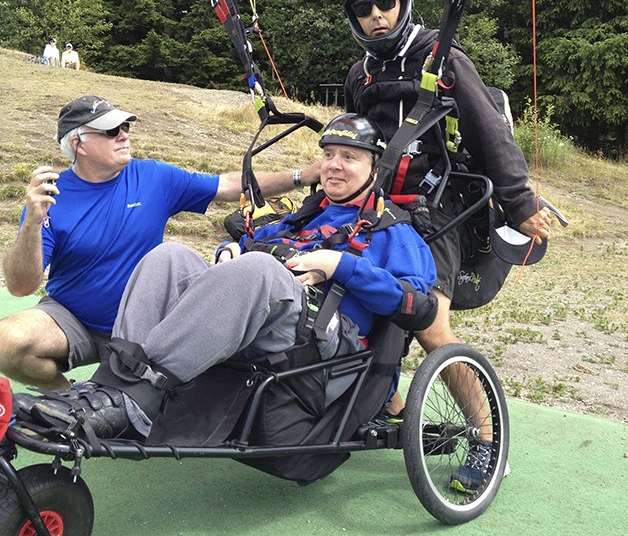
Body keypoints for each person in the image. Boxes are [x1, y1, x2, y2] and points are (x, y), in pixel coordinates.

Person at [14, 114, 439, 443]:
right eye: (328, 155)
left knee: (259, 269)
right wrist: (229, 249)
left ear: (374, 168)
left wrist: (339, 265)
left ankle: (132, 397)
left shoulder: (393, 230)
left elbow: (418, 307)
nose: (334, 166)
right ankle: (114, 387)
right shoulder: (306, 216)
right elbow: (252, 242)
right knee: (170, 256)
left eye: (349, 157)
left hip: (323, 341)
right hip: (268, 320)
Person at [342, 0, 552, 490]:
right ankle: (389, 406)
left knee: (430, 324)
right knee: (356, 302)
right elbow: (354, 146)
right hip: (378, 211)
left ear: (403, 2)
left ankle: (487, 440)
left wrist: (520, 203)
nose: (377, 16)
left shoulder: (440, 55)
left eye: (386, 3)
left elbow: (488, 131)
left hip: (437, 210)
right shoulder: (360, 75)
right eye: (364, 9)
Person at [0, 95, 318, 391]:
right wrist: (31, 224)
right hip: (74, 320)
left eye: (125, 127)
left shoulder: (153, 176)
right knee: (7, 342)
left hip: (149, 324)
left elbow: (227, 185)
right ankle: (72, 400)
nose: (124, 135)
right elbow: (21, 286)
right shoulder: (51, 197)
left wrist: (300, 176)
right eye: (111, 130)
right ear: (77, 144)